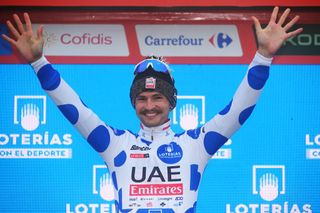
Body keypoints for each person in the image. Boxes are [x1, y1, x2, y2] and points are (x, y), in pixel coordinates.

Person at [2, 7, 302, 213]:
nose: (149, 106)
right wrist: (39, 62)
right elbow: (74, 109)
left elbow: (239, 110)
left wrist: (263, 56)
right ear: (133, 104)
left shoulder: (195, 144)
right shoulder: (115, 143)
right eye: (142, 99)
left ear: (172, 102)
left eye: (157, 97)